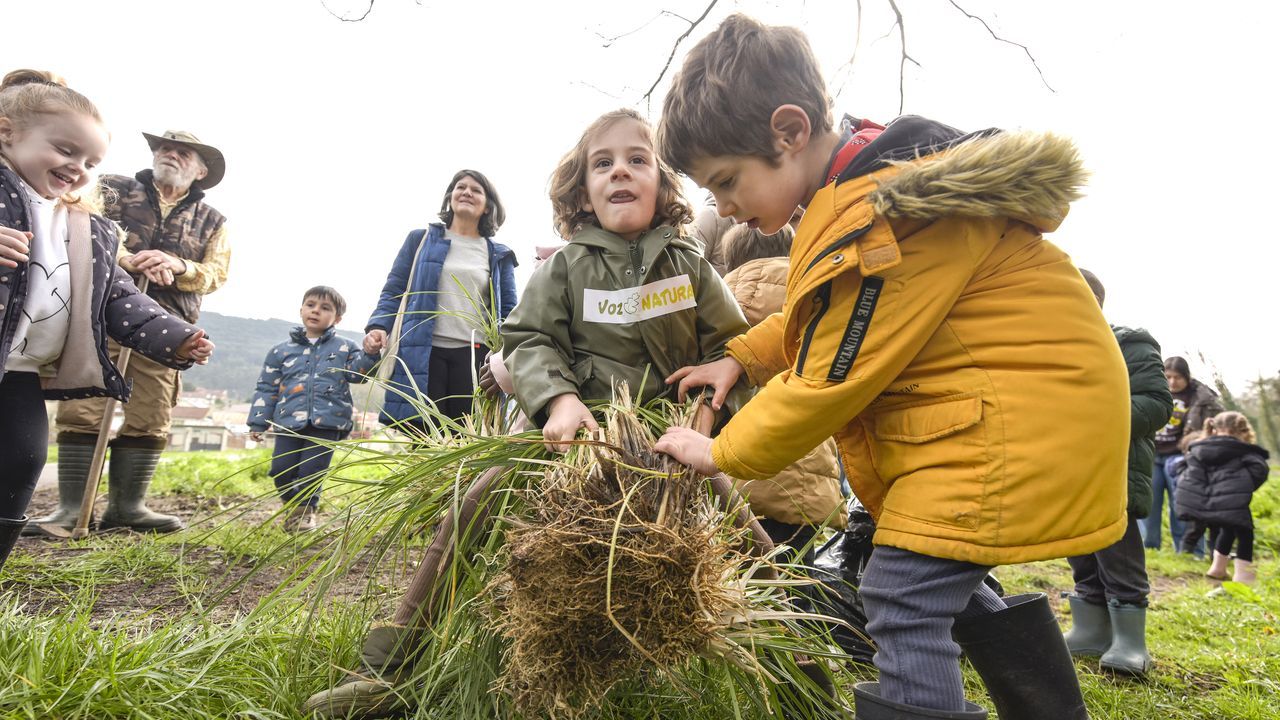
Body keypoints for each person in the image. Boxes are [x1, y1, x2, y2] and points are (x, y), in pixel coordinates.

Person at [651, 15, 1128, 720]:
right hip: (1005, 417)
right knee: (947, 579)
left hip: (1004, 427)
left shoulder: (884, 220)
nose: (721, 205)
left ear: (789, 132)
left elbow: (830, 377)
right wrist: (742, 358)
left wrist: (717, 449)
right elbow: (831, 318)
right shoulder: (865, 197)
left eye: (726, 180)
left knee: (901, 595)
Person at [303, 108, 751, 720]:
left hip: (667, 438)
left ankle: (803, 666)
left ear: (664, 183)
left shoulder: (690, 265)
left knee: (745, 526)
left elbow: (730, 348)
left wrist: (706, 416)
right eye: (603, 163)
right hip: (574, 434)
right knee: (477, 502)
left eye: (636, 160)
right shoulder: (565, 266)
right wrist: (559, 401)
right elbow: (529, 340)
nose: (619, 171)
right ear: (583, 190)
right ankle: (390, 669)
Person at [0, 69, 213, 569]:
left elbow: (115, 296)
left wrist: (176, 337)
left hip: (21, 373)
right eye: (65, 150)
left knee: (20, 464)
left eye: (90, 161)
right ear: (6, 131)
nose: (77, 168)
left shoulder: (85, 224)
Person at [31, 127, 230, 536]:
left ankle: (127, 507)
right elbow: (77, 230)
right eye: (165, 148)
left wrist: (178, 266)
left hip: (171, 324)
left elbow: (216, 274)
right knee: (83, 407)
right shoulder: (112, 189)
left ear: (200, 170)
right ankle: (70, 509)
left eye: (183, 153)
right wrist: (128, 258)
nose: (170, 155)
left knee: (151, 414)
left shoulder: (213, 221)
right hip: (99, 310)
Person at [1061, 270, 1172, 677]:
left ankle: (1130, 640)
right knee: (1080, 543)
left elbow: (1157, 403)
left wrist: (1094, 417)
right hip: (1070, 466)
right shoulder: (1051, 346)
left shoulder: (1129, 341)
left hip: (1115, 467)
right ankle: (1090, 628)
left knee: (1117, 547)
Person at [363, 170, 516, 433]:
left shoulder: (498, 254)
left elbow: (510, 311)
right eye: (460, 187)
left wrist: (509, 353)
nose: (466, 192)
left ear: (488, 205)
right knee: (425, 436)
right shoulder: (420, 240)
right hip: (423, 353)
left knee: (468, 436)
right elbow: (394, 290)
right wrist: (378, 326)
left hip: (475, 357)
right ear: (450, 197)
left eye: (476, 190)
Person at [247, 286, 378, 532]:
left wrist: (370, 354)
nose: (316, 311)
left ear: (337, 318)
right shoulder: (280, 352)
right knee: (281, 470)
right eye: (311, 305)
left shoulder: (345, 347)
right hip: (288, 423)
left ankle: (306, 512)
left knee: (311, 470)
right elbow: (266, 387)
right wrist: (258, 421)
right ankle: (295, 506)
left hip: (328, 422)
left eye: (325, 308)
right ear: (301, 310)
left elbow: (360, 375)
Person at [1175, 411, 1269, 585]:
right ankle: (1244, 577)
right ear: (1242, 430)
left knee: (1228, 528)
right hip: (1233, 499)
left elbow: (1179, 468)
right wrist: (1243, 485)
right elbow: (1259, 469)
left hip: (1203, 501)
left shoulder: (1198, 448)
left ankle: (1217, 568)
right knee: (1245, 531)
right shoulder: (1242, 450)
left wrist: (1200, 489)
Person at [1144, 356, 1224, 553]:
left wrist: (1196, 440)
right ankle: (1148, 548)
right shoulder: (1152, 391)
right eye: (1168, 376)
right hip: (1152, 455)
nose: (1172, 382)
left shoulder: (1202, 397)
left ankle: (1187, 550)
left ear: (1187, 377)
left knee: (1183, 503)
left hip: (1182, 457)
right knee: (1148, 504)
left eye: (1177, 377)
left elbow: (1218, 426)